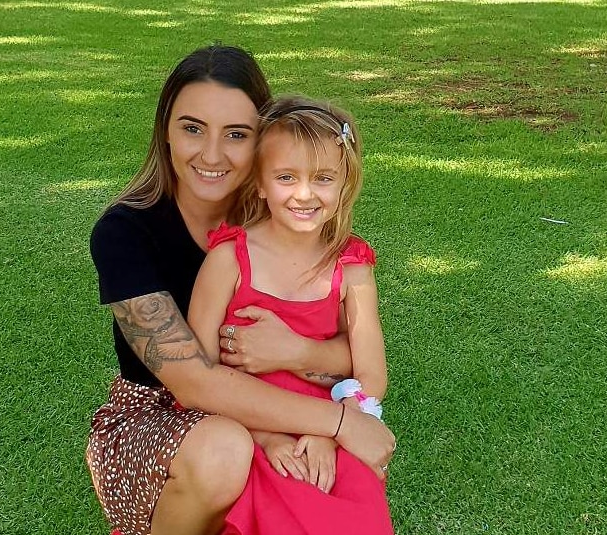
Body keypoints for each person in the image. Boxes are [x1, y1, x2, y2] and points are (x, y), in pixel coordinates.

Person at [86, 44, 395, 535]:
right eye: (192, 128)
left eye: (235, 134)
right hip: (160, 412)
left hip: (279, 400)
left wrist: (295, 352)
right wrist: (339, 423)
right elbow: (194, 382)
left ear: (263, 142)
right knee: (226, 450)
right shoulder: (127, 233)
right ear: (165, 130)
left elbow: (358, 354)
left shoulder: (285, 222)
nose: (211, 154)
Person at [188, 96, 394, 534]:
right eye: (286, 177)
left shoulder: (351, 266)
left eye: (323, 178)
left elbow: (372, 374)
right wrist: (265, 437)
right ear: (260, 183)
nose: (304, 193)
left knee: (353, 513)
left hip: (331, 424)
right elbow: (200, 373)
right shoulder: (229, 258)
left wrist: (328, 434)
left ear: (344, 185)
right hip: (246, 423)